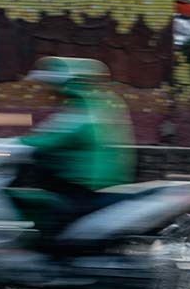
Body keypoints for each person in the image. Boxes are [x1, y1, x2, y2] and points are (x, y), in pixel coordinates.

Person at [20, 56, 135, 241]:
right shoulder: (88, 104)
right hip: (85, 181)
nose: (49, 92)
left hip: (83, 184)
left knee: (50, 216)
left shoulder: (85, 108)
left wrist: (17, 144)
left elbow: (55, 137)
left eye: (52, 87)